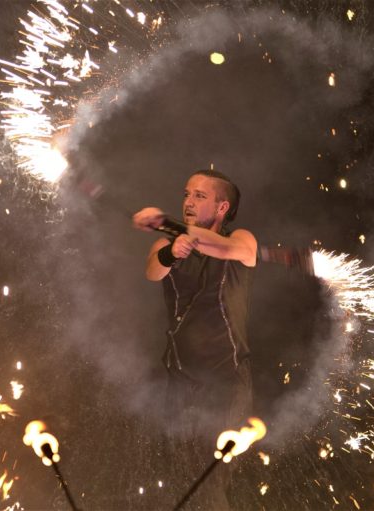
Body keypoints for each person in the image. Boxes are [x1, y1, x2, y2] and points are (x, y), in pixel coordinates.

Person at [132, 170, 256, 510]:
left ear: (221, 207)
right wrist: (173, 248)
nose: (188, 201)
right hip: (179, 379)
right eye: (187, 193)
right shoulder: (167, 244)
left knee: (209, 482)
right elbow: (153, 269)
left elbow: (233, 249)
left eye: (200, 196)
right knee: (178, 478)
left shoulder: (241, 238)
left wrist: (175, 227)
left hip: (226, 381)